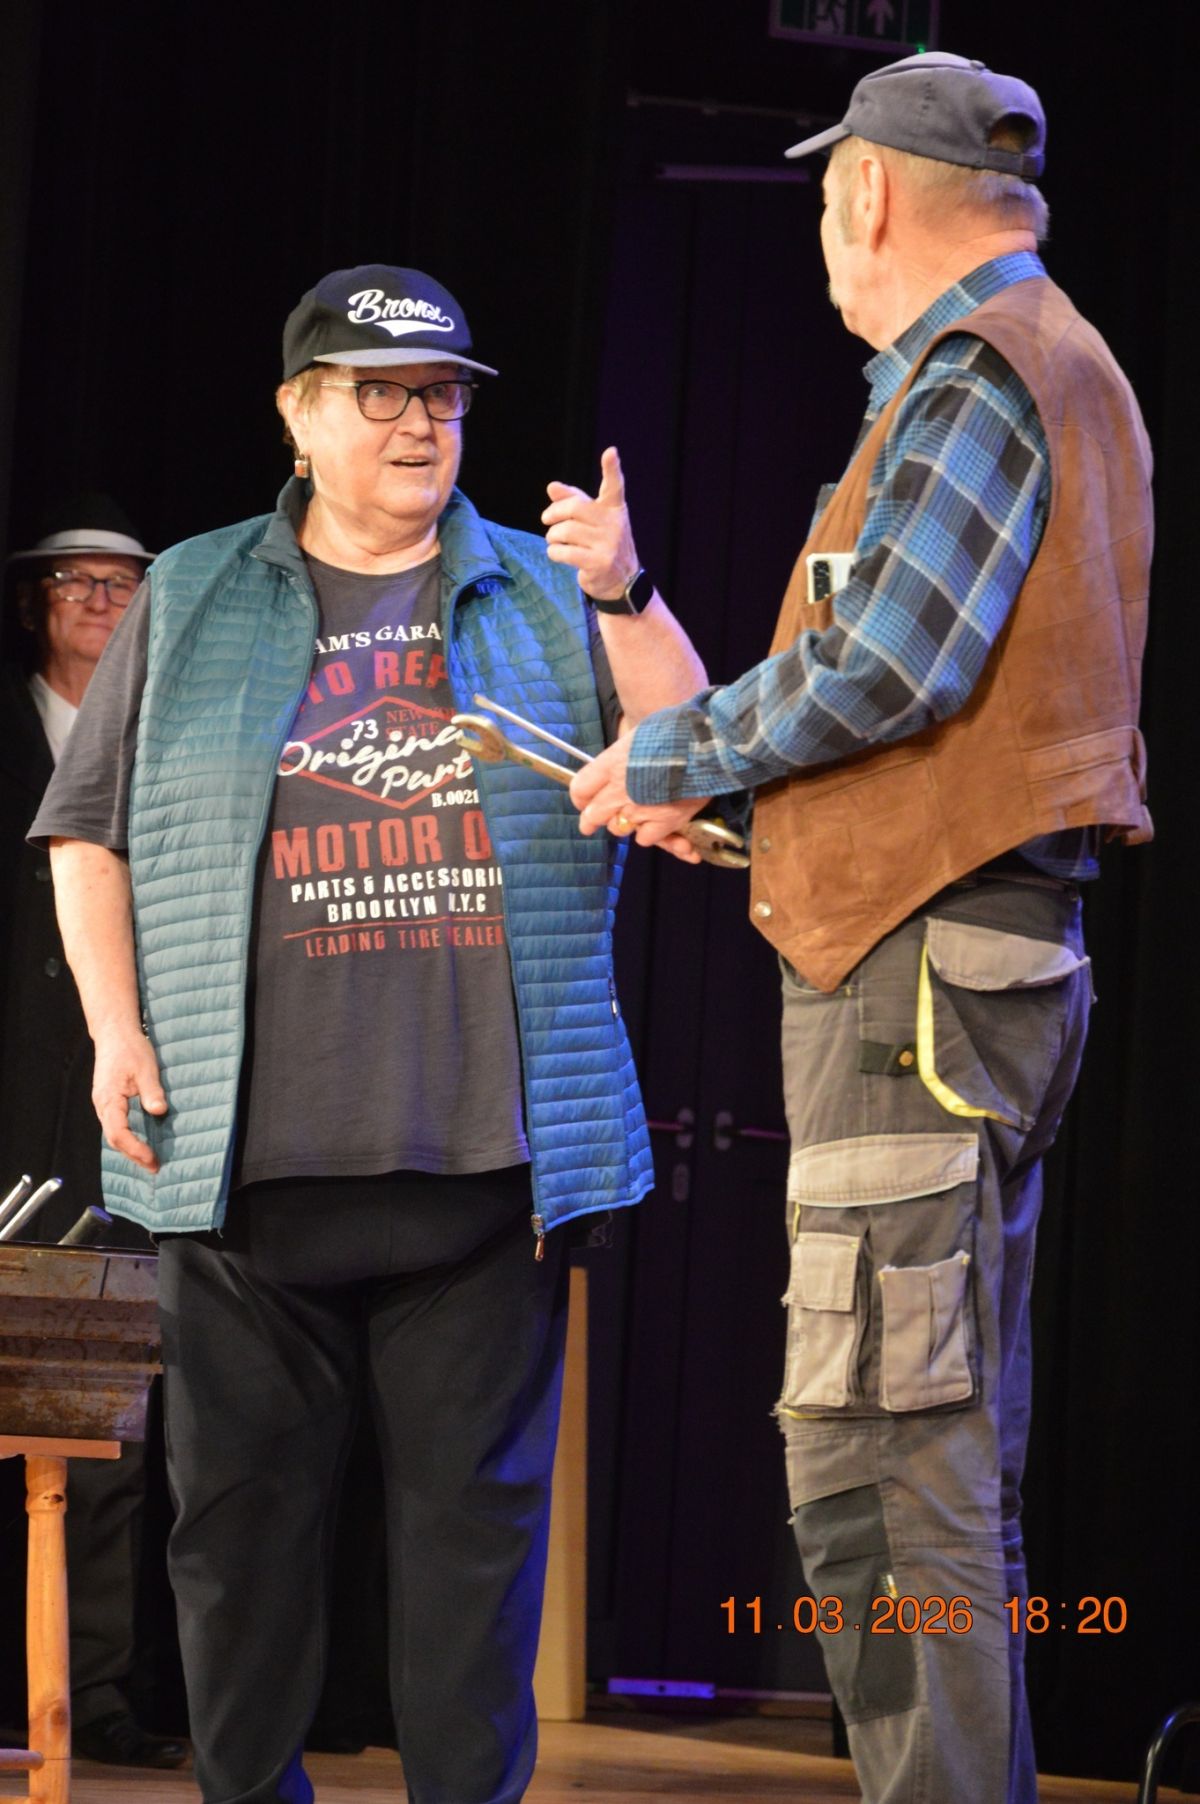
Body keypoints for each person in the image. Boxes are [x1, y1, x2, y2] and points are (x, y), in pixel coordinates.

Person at [31, 263, 707, 1804]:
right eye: (380, 393)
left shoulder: (545, 585)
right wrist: (115, 1031)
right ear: (299, 412)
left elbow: (689, 763)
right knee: (237, 1554)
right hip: (243, 1177)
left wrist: (625, 591)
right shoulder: (192, 590)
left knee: (472, 1564)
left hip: (482, 1176)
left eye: (443, 396)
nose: (419, 424)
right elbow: (87, 832)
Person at [566, 53, 1152, 1804]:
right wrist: (740, 810)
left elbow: (892, 665)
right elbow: (944, 722)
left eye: (830, 193)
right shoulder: (1034, 361)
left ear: (871, 193)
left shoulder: (983, 368)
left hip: (922, 976)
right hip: (948, 956)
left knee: (883, 1458)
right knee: (925, 1449)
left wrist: (676, 747)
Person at [0, 502, 186, 1769]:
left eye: (124, 584)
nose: (101, 602)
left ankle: (90, 1689)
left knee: (94, 1414)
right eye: (76, 583)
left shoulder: (171, 743)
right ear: (34, 605)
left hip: (108, 1124)